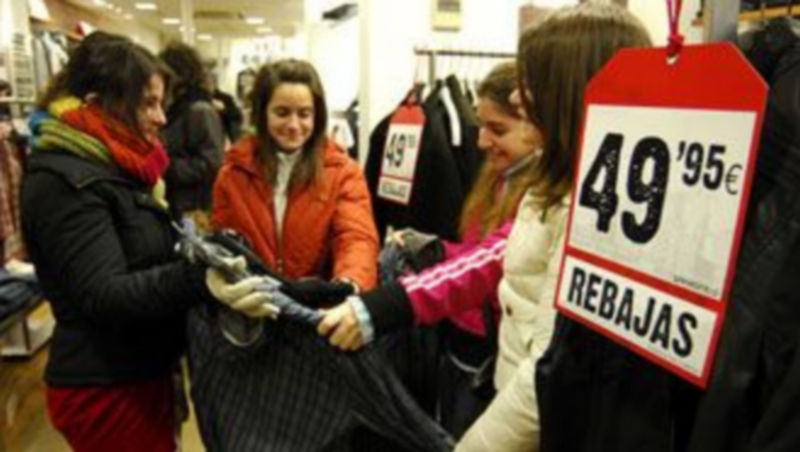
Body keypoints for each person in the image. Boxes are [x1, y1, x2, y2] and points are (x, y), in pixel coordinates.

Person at [319, 3, 652, 451]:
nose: (518, 97)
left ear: (566, 92)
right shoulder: (552, 185)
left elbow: (548, 369)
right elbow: (498, 255)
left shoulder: (590, 206)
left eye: (531, 84)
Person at [21, 31, 276, 452]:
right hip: (108, 389)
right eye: (148, 103)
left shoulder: (116, 169)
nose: (161, 117)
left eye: (162, 102)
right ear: (96, 105)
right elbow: (104, 294)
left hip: (138, 373)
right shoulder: (69, 182)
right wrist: (197, 279)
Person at [383, 60, 540, 438]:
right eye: (481, 125)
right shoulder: (499, 177)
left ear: (535, 125)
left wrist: (433, 259)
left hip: (493, 355)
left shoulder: (539, 197)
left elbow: (494, 264)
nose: (482, 140)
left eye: (496, 129)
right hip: (462, 342)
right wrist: (434, 249)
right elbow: (478, 252)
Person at [212, 58, 378, 292]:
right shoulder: (232, 174)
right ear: (263, 113)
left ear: (316, 116)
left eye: (304, 114)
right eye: (282, 113)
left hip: (318, 311)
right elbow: (224, 242)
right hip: (251, 310)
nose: (293, 124)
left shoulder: (343, 173)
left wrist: (348, 284)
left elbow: (355, 237)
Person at [159, 41, 224, 228]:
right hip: (175, 201)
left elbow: (213, 163)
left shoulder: (198, 110)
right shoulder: (175, 107)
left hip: (192, 208)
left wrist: (166, 166)